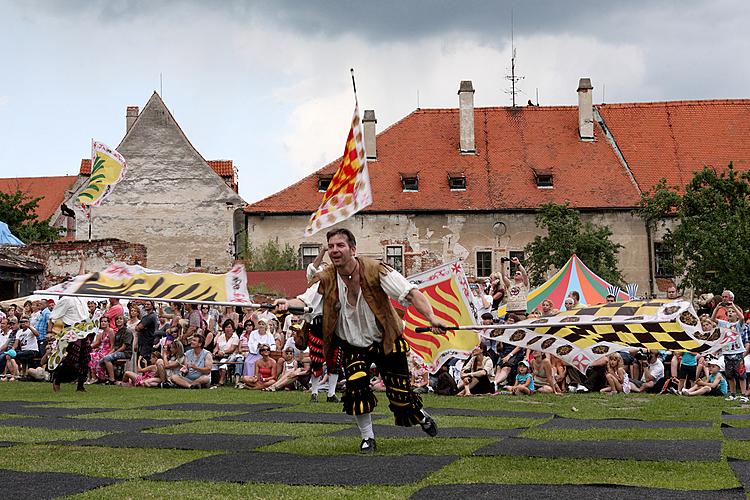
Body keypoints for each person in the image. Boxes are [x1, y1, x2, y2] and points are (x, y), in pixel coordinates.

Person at [274, 228, 449, 453]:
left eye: (341, 245)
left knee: (401, 399)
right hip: (353, 344)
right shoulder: (326, 278)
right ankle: (368, 438)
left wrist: (432, 318)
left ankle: (421, 417)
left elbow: (412, 293)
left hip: (386, 339)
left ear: (353, 249)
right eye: (332, 247)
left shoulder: (376, 270)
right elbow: (304, 301)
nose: (335, 251)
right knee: (356, 389)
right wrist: (286, 304)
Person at [718, 308, 749, 402]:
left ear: (736, 314)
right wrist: (716, 308)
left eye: (733, 312)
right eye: (729, 312)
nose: (730, 313)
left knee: (741, 375)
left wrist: (733, 305)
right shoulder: (724, 324)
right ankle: (733, 394)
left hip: (738, 353)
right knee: (729, 375)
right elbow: (712, 320)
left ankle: (744, 395)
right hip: (727, 353)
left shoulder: (738, 325)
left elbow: (742, 318)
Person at [100, 315, 133, 384]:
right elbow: (115, 346)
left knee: (107, 359)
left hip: (125, 352)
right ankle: (106, 377)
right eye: (117, 319)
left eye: (121, 319)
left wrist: (113, 354)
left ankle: (112, 379)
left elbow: (124, 347)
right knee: (102, 360)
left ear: (124, 321)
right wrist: (109, 353)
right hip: (118, 351)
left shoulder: (127, 331)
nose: (118, 320)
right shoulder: (118, 332)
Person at [214, 319, 240, 386]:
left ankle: (221, 381)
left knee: (223, 363)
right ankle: (214, 380)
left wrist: (223, 352)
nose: (228, 329)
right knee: (213, 361)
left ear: (232, 328)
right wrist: (214, 352)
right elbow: (217, 347)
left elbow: (232, 349)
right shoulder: (221, 337)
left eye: (229, 327)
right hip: (220, 355)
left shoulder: (235, 337)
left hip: (231, 356)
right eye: (226, 327)